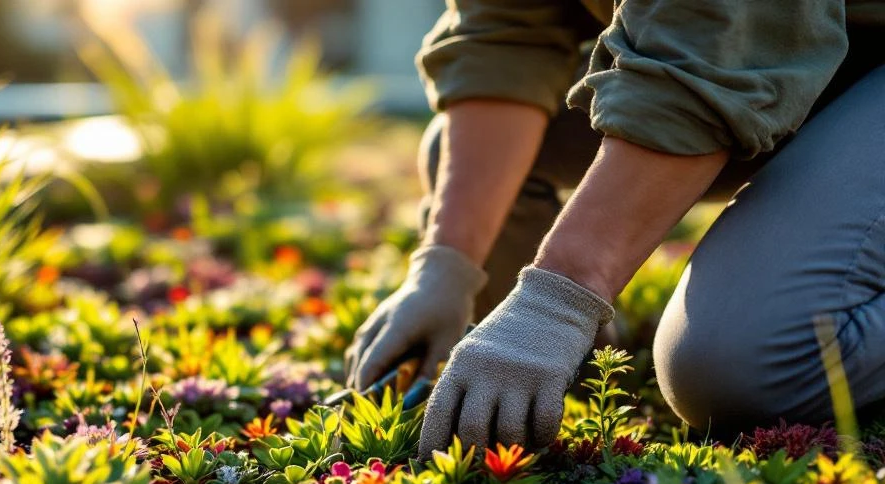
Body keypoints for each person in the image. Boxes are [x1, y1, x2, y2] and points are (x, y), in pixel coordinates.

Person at [344, 0, 885, 459]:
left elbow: (713, 47)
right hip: (803, 55)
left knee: (739, 367)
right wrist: (448, 263)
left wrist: (560, 298)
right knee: (467, 158)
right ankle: (581, 361)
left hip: (817, 55)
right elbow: (506, 35)